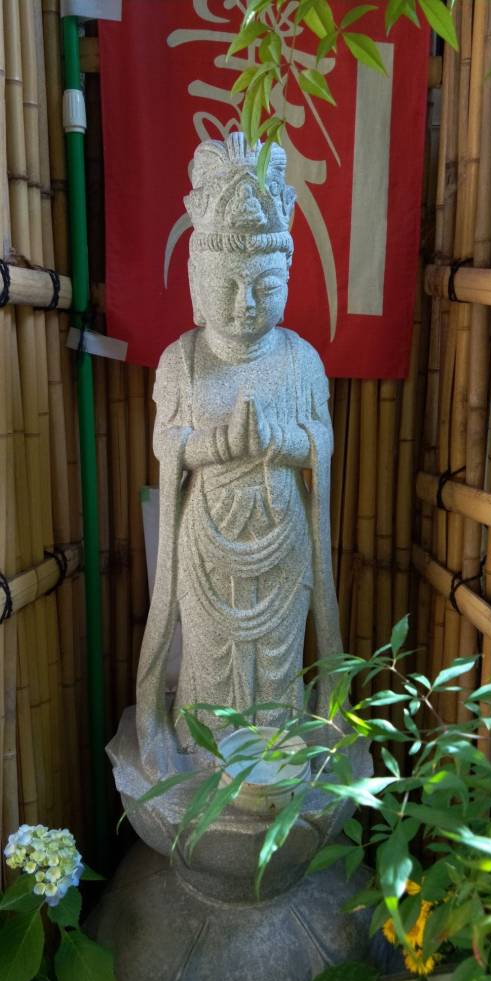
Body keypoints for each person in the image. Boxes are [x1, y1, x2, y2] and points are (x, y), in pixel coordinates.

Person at [136, 133, 341, 779]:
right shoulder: (181, 360)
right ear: (196, 284)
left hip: (283, 541)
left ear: (289, 280)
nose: (245, 304)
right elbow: (165, 441)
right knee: (209, 652)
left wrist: (281, 441)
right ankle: (205, 744)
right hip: (207, 539)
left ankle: (278, 745)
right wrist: (211, 446)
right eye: (226, 286)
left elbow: (321, 442)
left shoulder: (301, 360)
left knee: (278, 658)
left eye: (265, 285)